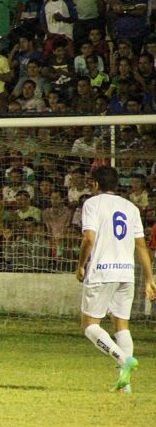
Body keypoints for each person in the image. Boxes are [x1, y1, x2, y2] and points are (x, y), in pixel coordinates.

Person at [75, 166, 156, 392]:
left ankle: (124, 360)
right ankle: (125, 384)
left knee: (89, 325)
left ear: (95, 185)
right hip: (126, 273)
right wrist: (150, 278)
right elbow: (141, 244)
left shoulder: (92, 204)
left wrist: (81, 265)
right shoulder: (130, 207)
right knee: (121, 324)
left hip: (102, 271)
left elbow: (89, 238)